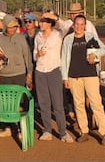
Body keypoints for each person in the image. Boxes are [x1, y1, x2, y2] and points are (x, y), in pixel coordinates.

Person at [61, 15, 105, 145]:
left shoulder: (90, 37)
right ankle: (84, 131)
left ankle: (103, 132)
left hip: (91, 74)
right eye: (77, 24)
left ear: (85, 25)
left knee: (96, 103)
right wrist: (65, 77)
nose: (79, 27)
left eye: (82, 24)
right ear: (73, 25)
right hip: (74, 76)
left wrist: (95, 54)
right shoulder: (68, 40)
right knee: (78, 104)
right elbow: (64, 59)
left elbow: (104, 49)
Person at [0, 10, 34, 138]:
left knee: (21, 102)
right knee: (5, 103)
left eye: (15, 27)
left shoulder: (21, 38)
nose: (12, 29)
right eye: (10, 27)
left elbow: (27, 56)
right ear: (4, 26)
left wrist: (29, 73)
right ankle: (7, 127)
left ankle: (21, 128)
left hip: (19, 74)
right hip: (4, 75)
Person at [34, 12, 73, 143]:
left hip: (54, 70)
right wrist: (37, 54)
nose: (41, 24)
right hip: (40, 71)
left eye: (44, 21)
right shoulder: (38, 36)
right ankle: (47, 130)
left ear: (50, 23)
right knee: (44, 103)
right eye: (40, 21)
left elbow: (68, 26)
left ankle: (63, 132)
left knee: (57, 103)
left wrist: (54, 17)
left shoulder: (58, 34)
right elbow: (34, 53)